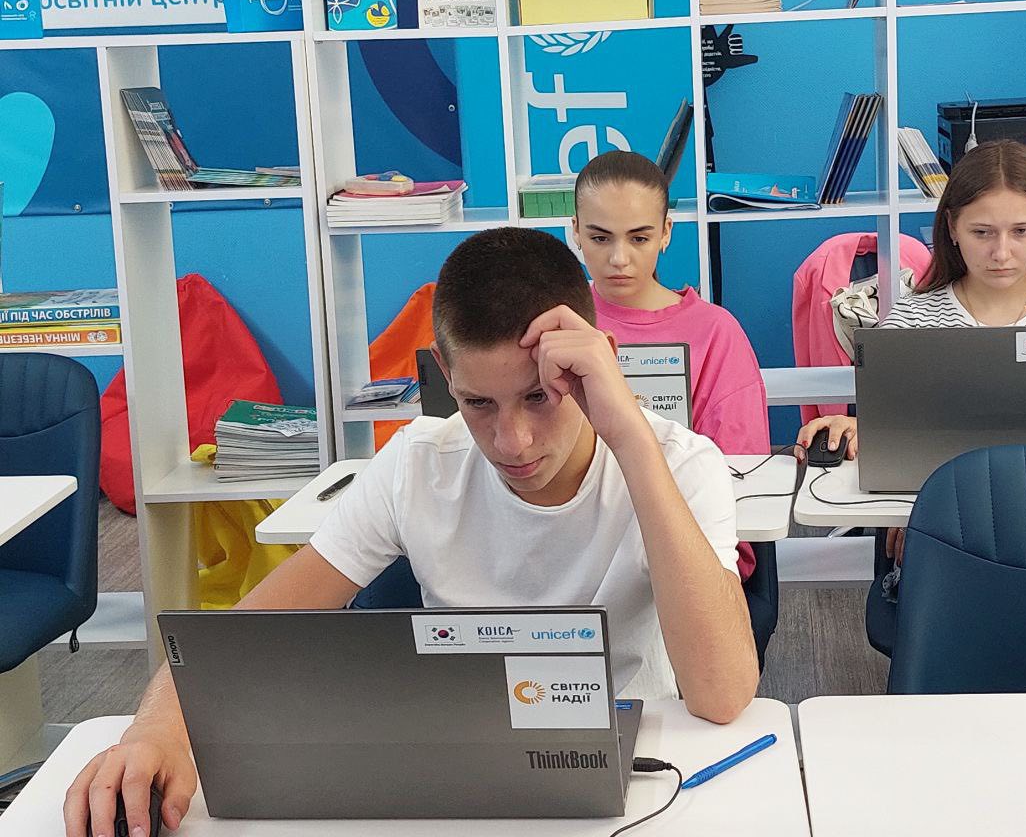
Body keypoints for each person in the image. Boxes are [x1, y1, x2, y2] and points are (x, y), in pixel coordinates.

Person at [64, 228, 758, 837]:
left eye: (539, 397)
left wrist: (629, 436)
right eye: (478, 403)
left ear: (595, 361)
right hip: (461, 772)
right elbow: (247, 633)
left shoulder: (679, 464)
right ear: (444, 375)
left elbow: (723, 695)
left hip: (642, 772)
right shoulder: (418, 463)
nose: (511, 441)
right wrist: (155, 730)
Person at [796, 139, 1026, 562]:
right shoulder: (910, 322)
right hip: (947, 528)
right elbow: (894, 444)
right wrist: (857, 429)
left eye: (1021, 231)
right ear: (951, 227)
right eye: (981, 232)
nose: (1001, 253)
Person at [571, 150, 769, 579]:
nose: (619, 259)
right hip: (574, 543)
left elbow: (741, 472)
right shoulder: (556, 321)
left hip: (685, 540)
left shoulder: (715, 332)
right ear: (575, 232)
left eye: (639, 239)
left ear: (665, 233)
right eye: (600, 238)